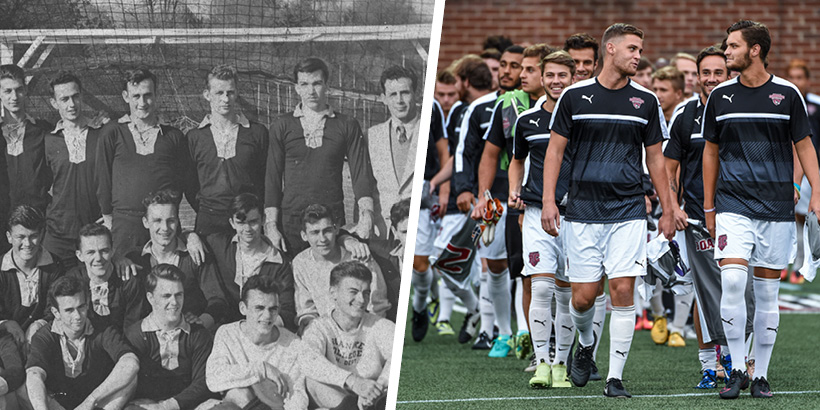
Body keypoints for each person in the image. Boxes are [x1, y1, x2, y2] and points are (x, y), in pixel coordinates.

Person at [542, 23, 681, 398]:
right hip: (582, 210)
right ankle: (585, 345)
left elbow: (656, 159)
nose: (638, 56)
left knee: (622, 290)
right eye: (632, 49)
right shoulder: (574, 96)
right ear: (611, 49)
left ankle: (615, 378)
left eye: (640, 49)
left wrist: (669, 207)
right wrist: (548, 200)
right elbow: (554, 152)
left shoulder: (646, 101)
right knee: (583, 298)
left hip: (629, 209)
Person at [702, 20, 820, 399]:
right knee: (734, 281)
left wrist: (815, 191)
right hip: (733, 203)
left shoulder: (787, 94)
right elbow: (710, 152)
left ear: (755, 50)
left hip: (776, 206)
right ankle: (736, 367)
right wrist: (708, 205)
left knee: (767, 294)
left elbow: (803, 146)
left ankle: (760, 375)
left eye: (733, 46)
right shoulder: (720, 96)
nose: (727, 52)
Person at [664, 44, 755, 389]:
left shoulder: (744, 106)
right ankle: (708, 363)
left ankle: (741, 359)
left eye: (719, 72)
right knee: (705, 292)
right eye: (706, 73)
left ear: (730, 73)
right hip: (698, 219)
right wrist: (673, 207)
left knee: (741, 289)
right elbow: (669, 168)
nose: (712, 79)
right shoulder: (686, 115)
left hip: (741, 212)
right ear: (696, 77)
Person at [472, 43, 553, 357]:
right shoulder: (507, 105)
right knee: (517, 269)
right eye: (523, 68)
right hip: (512, 198)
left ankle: (543, 342)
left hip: (556, 202)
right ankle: (517, 336)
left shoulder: (566, 104)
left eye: (529, 69)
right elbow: (490, 153)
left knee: (547, 277)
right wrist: (484, 197)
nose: (521, 74)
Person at [205, 274, 381, 410]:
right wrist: (262, 368)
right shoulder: (227, 333)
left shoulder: (292, 344)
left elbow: (298, 394)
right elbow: (213, 378)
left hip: (275, 406)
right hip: (241, 404)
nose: (267, 316)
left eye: (273, 309)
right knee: (237, 393)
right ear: (243, 308)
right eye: (259, 308)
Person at [508, 50, 576, 388]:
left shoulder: (583, 118)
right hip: (536, 213)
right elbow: (516, 160)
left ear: (573, 78)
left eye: (562, 75)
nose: (555, 81)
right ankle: (542, 365)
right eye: (550, 75)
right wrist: (514, 189)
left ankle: (562, 365)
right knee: (541, 286)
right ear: (542, 78)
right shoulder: (527, 120)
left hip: (577, 216)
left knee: (566, 294)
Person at [266, 57, 376, 255]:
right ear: (296, 88)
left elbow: (360, 174)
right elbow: (272, 178)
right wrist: (271, 225)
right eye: (304, 84)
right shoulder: (281, 125)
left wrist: (367, 214)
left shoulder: (347, 124)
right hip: (291, 222)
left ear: (328, 86)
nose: (311, 91)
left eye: (317, 83)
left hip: (331, 221)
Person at [97, 68, 196, 255]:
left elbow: (186, 182)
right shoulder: (112, 132)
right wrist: (109, 220)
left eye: (147, 95)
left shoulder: (173, 137)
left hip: (163, 226)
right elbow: (103, 180)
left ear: (156, 96)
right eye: (136, 96)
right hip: (124, 226)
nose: (142, 103)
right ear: (126, 97)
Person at [22, 275, 139, 410]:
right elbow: (35, 373)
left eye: (81, 307)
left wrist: (90, 402)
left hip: (95, 403)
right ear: (56, 312)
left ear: (87, 304)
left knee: (130, 380)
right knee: (26, 386)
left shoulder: (102, 328)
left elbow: (131, 362)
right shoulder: (44, 335)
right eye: (69, 310)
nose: (77, 316)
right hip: (58, 404)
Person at [187, 64, 268, 237]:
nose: (225, 99)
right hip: (209, 222)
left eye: (230, 92)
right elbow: (190, 185)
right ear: (207, 95)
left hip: (247, 221)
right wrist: (211, 207)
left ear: (236, 93)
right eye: (219, 93)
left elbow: (264, 180)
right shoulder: (194, 137)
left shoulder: (257, 133)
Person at [125, 264, 217, 409]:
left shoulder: (198, 334)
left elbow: (202, 382)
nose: (174, 302)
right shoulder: (135, 335)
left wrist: (168, 406)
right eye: (166, 296)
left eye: (179, 294)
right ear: (151, 298)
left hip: (188, 405)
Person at [303, 261, 393, 409]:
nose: (361, 300)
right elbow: (307, 359)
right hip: (340, 396)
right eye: (353, 292)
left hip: (372, 397)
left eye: (366, 293)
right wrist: (353, 381)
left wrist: (379, 386)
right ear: (334, 293)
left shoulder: (379, 325)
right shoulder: (319, 327)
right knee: (312, 380)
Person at [203, 193, 296, 330]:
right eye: (241, 223)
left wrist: (253, 330)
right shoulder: (220, 245)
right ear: (232, 223)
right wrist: (191, 236)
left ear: (263, 220)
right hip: (225, 329)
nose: (247, 229)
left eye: (253, 222)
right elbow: (190, 239)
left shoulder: (278, 262)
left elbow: (287, 312)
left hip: (263, 331)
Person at [292, 204, 390, 334]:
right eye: (315, 232)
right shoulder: (300, 262)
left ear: (336, 229)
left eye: (327, 230)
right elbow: (306, 310)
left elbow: (377, 305)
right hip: (325, 334)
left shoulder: (359, 257)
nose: (322, 239)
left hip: (362, 332)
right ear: (304, 235)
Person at [43, 71, 107, 265]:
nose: (71, 104)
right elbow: (40, 186)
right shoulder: (48, 140)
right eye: (64, 99)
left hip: (94, 231)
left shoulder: (101, 134)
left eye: (75, 96)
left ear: (81, 96)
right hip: (58, 234)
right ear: (54, 103)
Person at [127, 190, 212, 330]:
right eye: (157, 221)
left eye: (170, 221)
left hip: (190, 336)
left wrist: (200, 323)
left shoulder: (195, 254)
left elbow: (217, 299)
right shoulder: (134, 260)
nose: (165, 228)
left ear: (178, 221)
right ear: (145, 222)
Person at [410, 100, 449, 341]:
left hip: (425, 189)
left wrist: (444, 191)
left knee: (420, 262)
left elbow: (444, 150)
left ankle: (420, 304)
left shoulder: (432, 106)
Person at [367, 66, 419, 241]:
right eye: (393, 94)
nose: (399, 101)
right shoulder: (373, 136)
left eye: (405, 93)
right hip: (384, 231)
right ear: (383, 98)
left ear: (416, 94)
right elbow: (367, 186)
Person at [0, 205, 62, 347]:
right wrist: (6, 324)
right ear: (9, 237)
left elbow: (56, 306)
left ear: (41, 235)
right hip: (4, 339)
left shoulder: (54, 266)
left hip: (42, 334)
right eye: (20, 237)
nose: (27, 244)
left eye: (33, 236)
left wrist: (40, 324)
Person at [67, 223, 146, 332]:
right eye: (90, 252)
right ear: (80, 255)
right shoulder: (73, 280)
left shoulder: (129, 281)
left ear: (113, 251)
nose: (98, 258)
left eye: (104, 251)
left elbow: (132, 326)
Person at [0, 64, 52, 214]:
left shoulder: (42, 130)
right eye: (8, 91)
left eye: (19, 90)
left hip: (37, 215)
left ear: (26, 90)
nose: (14, 97)